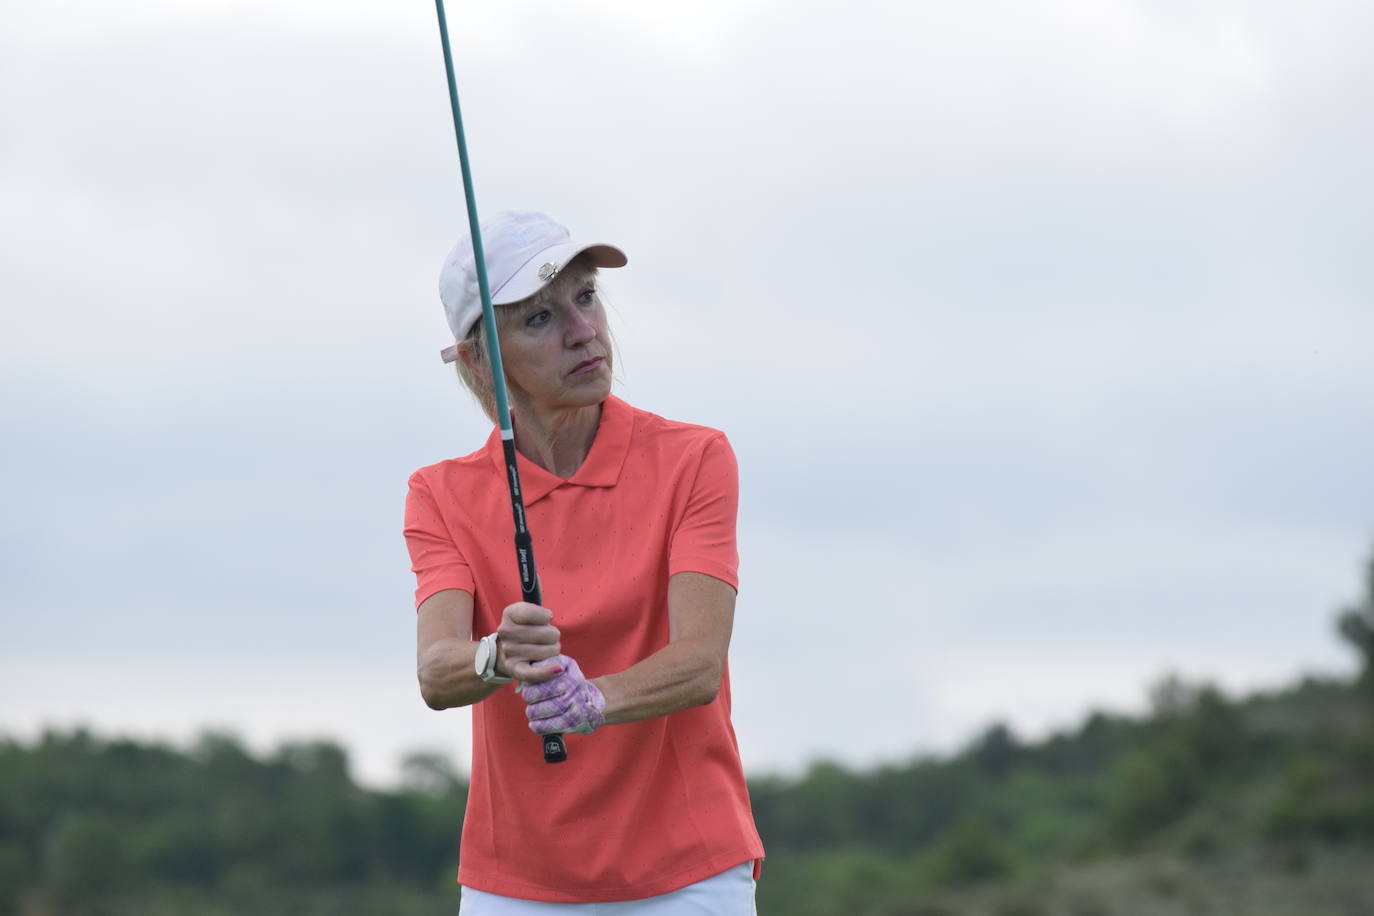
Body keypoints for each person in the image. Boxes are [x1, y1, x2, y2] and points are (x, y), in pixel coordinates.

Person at [403, 210, 764, 913]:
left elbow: (698, 661)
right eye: (539, 318)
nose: (583, 331)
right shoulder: (439, 494)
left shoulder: (695, 458)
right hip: (516, 882)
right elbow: (436, 672)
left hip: (690, 870)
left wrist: (594, 700)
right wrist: (495, 656)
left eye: (586, 296)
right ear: (480, 361)